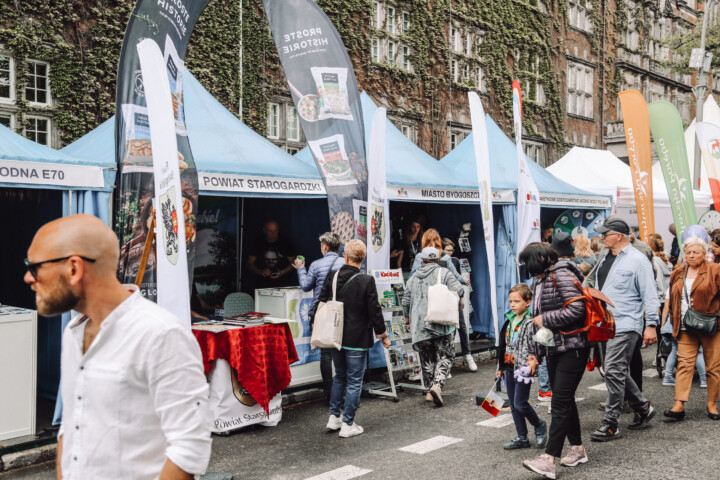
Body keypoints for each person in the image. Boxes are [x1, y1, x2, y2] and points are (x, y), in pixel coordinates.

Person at [24, 215, 211, 479]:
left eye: (34, 267)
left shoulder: (160, 334)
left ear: (74, 268)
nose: (28, 278)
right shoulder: (72, 333)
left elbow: (188, 449)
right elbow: (72, 424)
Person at [583, 217, 658, 442]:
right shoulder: (604, 256)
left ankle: (611, 423)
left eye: (605, 234)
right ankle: (643, 408)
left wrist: (651, 325)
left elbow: (650, 294)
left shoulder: (638, 260)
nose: (601, 237)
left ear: (619, 236)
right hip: (605, 323)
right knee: (615, 371)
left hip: (627, 323)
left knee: (614, 370)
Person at [520, 243, 590, 478]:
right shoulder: (540, 280)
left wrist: (546, 318)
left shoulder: (561, 274)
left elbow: (577, 310)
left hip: (573, 347)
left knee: (559, 402)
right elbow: (535, 321)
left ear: (537, 261)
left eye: (528, 264)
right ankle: (578, 449)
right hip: (553, 348)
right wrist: (534, 353)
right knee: (565, 401)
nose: (527, 269)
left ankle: (549, 459)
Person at [317, 239, 390, 437]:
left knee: (339, 376)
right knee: (355, 380)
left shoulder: (333, 276)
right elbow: (374, 311)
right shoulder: (366, 281)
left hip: (335, 335)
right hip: (357, 338)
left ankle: (334, 417)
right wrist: (382, 334)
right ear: (362, 258)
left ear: (346, 257)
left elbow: (321, 303)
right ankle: (348, 424)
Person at [661, 226, 720, 422]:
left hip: (711, 326)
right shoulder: (677, 272)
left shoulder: (715, 270)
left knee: (713, 367)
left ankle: (712, 403)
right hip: (685, 327)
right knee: (684, 365)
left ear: (704, 253)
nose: (692, 255)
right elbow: (672, 299)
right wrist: (670, 322)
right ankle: (679, 404)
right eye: (688, 252)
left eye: (696, 252)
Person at [403, 247, 464, 407]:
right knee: (446, 355)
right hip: (441, 322)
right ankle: (437, 386)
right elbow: (459, 290)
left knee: (427, 359)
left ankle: (430, 390)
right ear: (437, 259)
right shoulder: (444, 273)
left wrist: (408, 320)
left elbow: (406, 301)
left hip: (419, 325)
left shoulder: (413, 277)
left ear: (421, 261)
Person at [411, 230, 476, 371]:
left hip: (426, 299)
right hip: (446, 298)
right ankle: (460, 358)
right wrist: (464, 282)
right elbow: (456, 277)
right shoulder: (445, 258)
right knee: (454, 326)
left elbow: (412, 276)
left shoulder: (419, 257)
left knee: (430, 331)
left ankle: (432, 367)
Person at [293, 232, 345, 400]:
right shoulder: (346, 263)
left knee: (326, 354)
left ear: (324, 247)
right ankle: (343, 392)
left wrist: (301, 269)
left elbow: (306, 286)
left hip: (322, 312)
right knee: (344, 350)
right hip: (344, 311)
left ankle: (329, 393)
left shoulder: (316, 265)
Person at [497, 283, 548, 450]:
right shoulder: (509, 320)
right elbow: (503, 345)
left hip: (524, 368)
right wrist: (500, 366)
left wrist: (534, 361)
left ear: (527, 302)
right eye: (511, 301)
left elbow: (540, 343)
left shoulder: (531, 321)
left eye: (517, 301)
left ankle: (539, 424)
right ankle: (522, 436)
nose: (512, 305)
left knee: (520, 403)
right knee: (513, 405)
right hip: (509, 366)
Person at [247, 220, 296, 288]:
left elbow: (294, 263)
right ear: (264, 230)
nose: (273, 234)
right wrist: (260, 272)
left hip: (283, 284)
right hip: (262, 285)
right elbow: (250, 263)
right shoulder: (257, 242)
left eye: (275, 231)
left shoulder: (285, 242)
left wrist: (282, 272)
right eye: (270, 231)